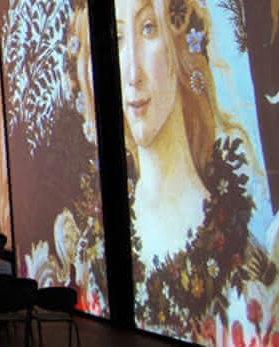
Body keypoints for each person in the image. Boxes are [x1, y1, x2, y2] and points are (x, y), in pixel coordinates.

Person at [116, 0, 277, 340]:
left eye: (149, 28)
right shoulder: (94, 234)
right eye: (117, 37)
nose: (132, 74)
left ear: (182, 42)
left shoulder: (246, 258)